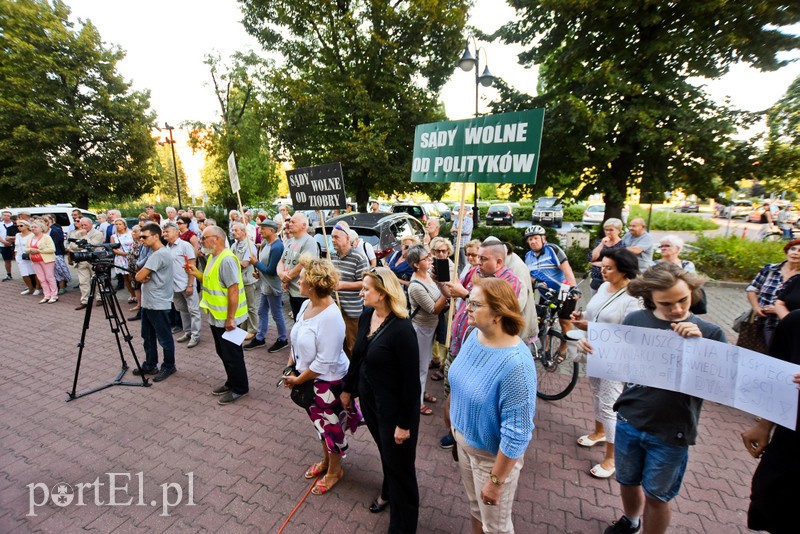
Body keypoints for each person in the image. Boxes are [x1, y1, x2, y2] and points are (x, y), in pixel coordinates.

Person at [583, 263, 726, 534]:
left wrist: (701, 350)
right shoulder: (637, 320)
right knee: (626, 481)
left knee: (657, 496)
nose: (677, 309)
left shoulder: (710, 333)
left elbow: (720, 386)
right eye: (666, 303)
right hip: (629, 420)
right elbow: (621, 363)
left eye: (683, 300)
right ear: (650, 298)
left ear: (693, 292)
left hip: (671, 432)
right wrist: (594, 347)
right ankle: (631, 520)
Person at [448, 277, 537, 534]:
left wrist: (496, 482)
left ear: (498, 313)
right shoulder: (474, 335)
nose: (467, 308)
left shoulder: (516, 365)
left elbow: (517, 433)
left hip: (491, 459)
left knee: (496, 527)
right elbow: (461, 378)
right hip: (465, 445)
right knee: (476, 509)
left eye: (475, 304)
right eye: (468, 301)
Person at [341, 267, 420, 532]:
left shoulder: (402, 329)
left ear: (384, 294)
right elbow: (358, 357)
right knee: (387, 455)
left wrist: (404, 424)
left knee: (402, 471)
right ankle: (387, 492)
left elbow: (411, 383)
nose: (361, 292)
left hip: (395, 411)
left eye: (366, 289)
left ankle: (403, 526)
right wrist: (348, 390)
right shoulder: (367, 316)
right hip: (370, 402)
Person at [282, 257, 360, 496]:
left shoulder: (331, 317)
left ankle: (335, 470)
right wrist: (291, 364)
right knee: (320, 426)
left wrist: (299, 379)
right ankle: (326, 462)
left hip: (327, 382)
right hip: (308, 378)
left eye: (302, 277)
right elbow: (297, 337)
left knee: (331, 428)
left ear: (313, 285)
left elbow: (325, 361)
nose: (298, 279)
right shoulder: (307, 305)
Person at [439, 239, 522, 450]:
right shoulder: (474, 274)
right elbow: (452, 295)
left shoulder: (509, 282)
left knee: (471, 399)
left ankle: (468, 436)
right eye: (477, 258)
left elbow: (500, 314)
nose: (478, 263)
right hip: (459, 346)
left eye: (483, 259)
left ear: (499, 262)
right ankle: (456, 432)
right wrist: (441, 283)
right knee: (451, 394)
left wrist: (465, 294)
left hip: (481, 355)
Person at [572, 249, 641, 479]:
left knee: (610, 405)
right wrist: (582, 323)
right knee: (596, 393)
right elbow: (596, 317)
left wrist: (591, 330)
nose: (602, 270)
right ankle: (599, 432)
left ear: (624, 271)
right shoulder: (603, 286)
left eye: (609, 268)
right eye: (603, 265)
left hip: (617, 358)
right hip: (595, 351)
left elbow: (630, 334)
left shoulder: (634, 298)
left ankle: (612, 458)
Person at [741, 309, 800, 534]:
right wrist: (764, 425)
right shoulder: (794, 322)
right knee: (772, 504)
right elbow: (778, 378)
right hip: (789, 444)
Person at [191, 225, 249, 405]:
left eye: (204, 238)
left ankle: (240, 388)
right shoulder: (212, 257)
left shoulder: (227, 259)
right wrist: (196, 274)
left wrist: (230, 318)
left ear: (216, 238)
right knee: (222, 351)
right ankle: (231, 382)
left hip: (227, 318)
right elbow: (210, 281)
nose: (201, 241)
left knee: (232, 354)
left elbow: (233, 291)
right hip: (216, 316)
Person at [406, 245, 449, 417]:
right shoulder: (415, 286)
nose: (431, 259)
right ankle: (417, 402)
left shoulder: (429, 277)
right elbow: (434, 309)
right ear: (416, 264)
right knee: (421, 367)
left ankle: (420, 392)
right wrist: (446, 293)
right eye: (427, 258)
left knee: (424, 363)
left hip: (431, 328)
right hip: (421, 329)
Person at [524, 225, 578, 356]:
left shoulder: (552, 249)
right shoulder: (528, 256)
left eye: (536, 238)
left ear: (544, 239)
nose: (533, 241)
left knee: (564, 322)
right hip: (546, 293)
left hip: (564, 291)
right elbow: (528, 275)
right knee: (543, 322)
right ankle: (546, 348)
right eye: (530, 239)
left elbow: (567, 270)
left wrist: (573, 288)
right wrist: (534, 281)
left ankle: (563, 349)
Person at [133, 223, 177, 383]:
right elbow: (140, 275)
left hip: (158, 303)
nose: (141, 239)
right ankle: (150, 364)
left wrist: (142, 275)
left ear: (156, 236)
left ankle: (169, 365)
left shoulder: (159, 254)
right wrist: (142, 275)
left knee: (164, 337)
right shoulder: (155, 253)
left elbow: (138, 276)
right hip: (149, 302)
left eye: (144, 236)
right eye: (140, 237)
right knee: (148, 336)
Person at [746, 238, 800, 348]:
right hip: (761, 321)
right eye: (793, 249)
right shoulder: (771, 269)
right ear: (787, 251)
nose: (795, 253)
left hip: (785, 325)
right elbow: (752, 289)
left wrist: (778, 310)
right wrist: (756, 307)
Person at [245, 220, 288, 352]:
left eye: (263, 228)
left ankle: (282, 339)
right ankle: (260, 338)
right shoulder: (265, 244)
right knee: (262, 311)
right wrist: (259, 274)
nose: (260, 231)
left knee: (276, 314)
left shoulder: (277, 247)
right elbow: (265, 268)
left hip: (273, 286)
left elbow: (271, 270)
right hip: (265, 285)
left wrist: (256, 263)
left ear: (272, 230)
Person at [329, 221, 368, 357]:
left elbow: (365, 283)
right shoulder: (331, 257)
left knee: (352, 347)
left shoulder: (359, 258)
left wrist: (341, 285)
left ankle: (354, 375)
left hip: (351, 312)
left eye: (336, 237)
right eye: (332, 237)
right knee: (337, 345)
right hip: (334, 310)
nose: (333, 240)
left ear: (347, 238)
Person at [163, 222, 201, 349]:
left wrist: (190, 284)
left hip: (186, 284)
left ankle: (195, 336)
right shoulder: (166, 247)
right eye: (164, 232)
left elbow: (192, 265)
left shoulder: (185, 246)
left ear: (176, 232)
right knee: (182, 310)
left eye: (167, 231)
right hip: (173, 286)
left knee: (193, 310)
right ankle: (188, 332)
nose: (164, 234)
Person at [278, 212, 319, 319]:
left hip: (304, 294)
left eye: (293, 222)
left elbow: (304, 264)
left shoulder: (310, 242)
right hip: (291, 291)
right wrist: (281, 274)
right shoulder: (289, 241)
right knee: (297, 320)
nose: (289, 224)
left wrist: (286, 278)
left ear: (304, 225)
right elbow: (281, 261)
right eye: (290, 221)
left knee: (305, 322)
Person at [231, 222, 260, 340]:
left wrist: (231, 262)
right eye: (233, 230)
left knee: (251, 306)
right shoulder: (234, 245)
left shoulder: (249, 245)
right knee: (242, 305)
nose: (234, 232)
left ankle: (253, 329)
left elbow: (244, 263)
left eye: (236, 230)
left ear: (243, 232)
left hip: (248, 280)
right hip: (239, 280)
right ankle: (243, 326)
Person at [588, 218, 625, 294]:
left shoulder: (622, 245)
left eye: (611, 230)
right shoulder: (600, 242)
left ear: (618, 230)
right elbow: (591, 258)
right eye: (606, 230)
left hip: (612, 280)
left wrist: (597, 263)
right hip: (596, 278)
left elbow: (616, 263)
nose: (608, 232)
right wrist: (601, 244)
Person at [25, 220, 58, 303]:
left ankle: (54, 295)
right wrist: (30, 250)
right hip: (35, 261)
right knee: (41, 278)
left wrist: (39, 251)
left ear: (41, 228)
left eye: (35, 227)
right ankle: (46, 295)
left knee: (49, 277)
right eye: (31, 227)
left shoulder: (46, 237)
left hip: (47, 260)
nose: (33, 229)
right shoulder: (30, 238)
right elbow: (26, 248)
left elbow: (52, 249)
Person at [110, 218, 136, 302]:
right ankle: (132, 295)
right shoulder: (113, 236)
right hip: (121, 258)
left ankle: (137, 294)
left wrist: (131, 254)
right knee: (126, 279)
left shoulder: (131, 233)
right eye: (116, 224)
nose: (118, 226)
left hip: (132, 257)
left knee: (132, 277)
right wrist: (124, 254)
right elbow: (113, 249)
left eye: (120, 224)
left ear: (124, 225)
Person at [45, 215, 71, 295]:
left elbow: (56, 242)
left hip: (56, 253)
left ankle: (62, 287)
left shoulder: (55, 230)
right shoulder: (42, 232)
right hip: (46, 254)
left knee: (59, 271)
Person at [14, 219, 37, 295]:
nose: (19, 227)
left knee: (34, 271)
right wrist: (16, 254)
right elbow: (16, 246)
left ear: (27, 226)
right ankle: (30, 288)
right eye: (18, 226)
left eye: (21, 225)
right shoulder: (17, 235)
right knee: (24, 273)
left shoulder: (32, 235)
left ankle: (37, 287)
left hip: (30, 255)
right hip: (20, 256)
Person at [1, 210, 18, 281]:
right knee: (7, 260)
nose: (6, 217)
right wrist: (4, 242)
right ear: (2, 216)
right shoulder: (0, 224)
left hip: (15, 245)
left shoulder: (15, 224)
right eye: (5, 215)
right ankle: (9, 274)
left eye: (8, 215)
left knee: (18, 259)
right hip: (3, 245)